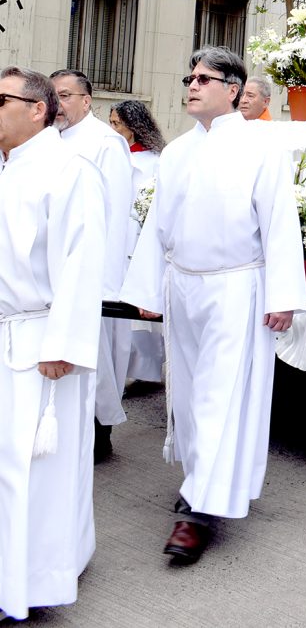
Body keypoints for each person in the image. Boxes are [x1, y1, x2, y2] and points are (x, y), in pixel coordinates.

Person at [120, 46, 306, 563]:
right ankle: (202, 480)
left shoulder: (261, 147)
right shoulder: (177, 152)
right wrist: (146, 291)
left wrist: (283, 296)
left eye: (205, 78)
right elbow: (160, 226)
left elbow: (278, 222)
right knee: (189, 393)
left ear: (233, 89)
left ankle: (198, 512)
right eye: (190, 76)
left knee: (222, 395)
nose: (193, 85)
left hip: (235, 288)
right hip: (184, 286)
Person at [0, 67, 105, 622]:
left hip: (42, 341)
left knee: (34, 467)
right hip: (6, 330)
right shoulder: (8, 167)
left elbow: (81, 260)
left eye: (1, 98)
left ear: (37, 108)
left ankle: (27, 586)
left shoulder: (68, 170)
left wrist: (61, 343)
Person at [51, 69, 133, 462]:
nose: (59, 104)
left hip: (96, 269)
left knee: (97, 355)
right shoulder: (48, 139)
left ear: (87, 101)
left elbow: (116, 213)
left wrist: (105, 281)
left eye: (66, 96)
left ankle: (100, 434)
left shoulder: (105, 142)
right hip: (59, 265)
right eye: (53, 96)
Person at [110, 100, 167, 385]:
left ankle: (143, 367)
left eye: (117, 124)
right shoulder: (112, 154)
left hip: (138, 233)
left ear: (134, 127)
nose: (113, 129)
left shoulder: (153, 160)